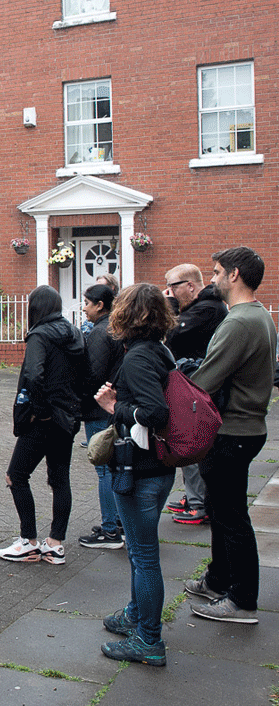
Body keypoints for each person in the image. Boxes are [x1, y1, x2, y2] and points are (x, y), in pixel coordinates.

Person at [184, 247, 276, 624]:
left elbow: (205, 380)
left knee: (232, 516)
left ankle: (242, 600)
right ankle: (219, 579)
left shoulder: (239, 321)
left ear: (235, 274)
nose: (212, 279)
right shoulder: (259, 315)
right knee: (222, 513)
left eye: (218, 272)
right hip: (245, 428)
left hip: (233, 429)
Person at [93, 283, 178, 667]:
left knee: (144, 557)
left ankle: (149, 640)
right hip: (157, 470)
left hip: (140, 472)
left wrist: (115, 406)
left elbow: (155, 413)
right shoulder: (160, 351)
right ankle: (135, 615)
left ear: (126, 315)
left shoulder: (140, 357)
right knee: (139, 552)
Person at [0, 285, 84, 565]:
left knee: (16, 475)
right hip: (67, 419)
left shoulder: (39, 336)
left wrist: (41, 411)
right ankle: (56, 544)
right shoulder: (75, 334)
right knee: (60, 479)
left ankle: (29, 541)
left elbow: (34, 376)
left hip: (43, 421)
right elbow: (88, 374)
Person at [161, 263, 227, 526]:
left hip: (198, 388)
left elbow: (172, 334)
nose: (169, 293)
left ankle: (199, 504)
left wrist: (171, 310)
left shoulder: (208, 308)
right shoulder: (201, 307)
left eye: (173, 287)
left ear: (190, 285)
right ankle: (195, 498)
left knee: (193, 442)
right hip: (192, 385)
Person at [77, 284, 126, 550]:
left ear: (99, 305)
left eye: (87, 302)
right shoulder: (116, 330)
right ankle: (118, 523)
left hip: (98, 408)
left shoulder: (99, 333)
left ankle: (110, 531)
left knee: (104, 469)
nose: (83, 307)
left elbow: (93, 375)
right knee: (113, 467)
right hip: (114, 404)